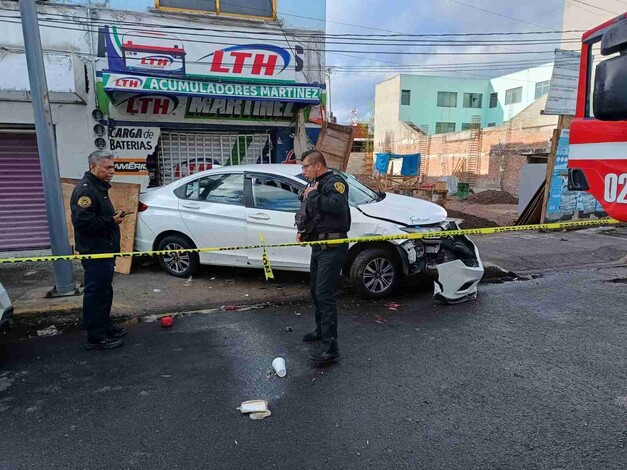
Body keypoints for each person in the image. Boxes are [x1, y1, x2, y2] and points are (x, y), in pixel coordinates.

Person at [296, 150, 351, 365]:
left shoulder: (335, 182)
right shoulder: (316, 184)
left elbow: (337, 206)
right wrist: (303, 231)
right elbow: (317, 216)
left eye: (305, 166)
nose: (304, 171)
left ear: (317, 165)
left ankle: (330, 349)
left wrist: (314, 195)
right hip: (319, 244)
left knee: (324, 294)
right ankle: (320, 332)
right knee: (315, 291)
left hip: (333, 245)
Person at [71, 150, 128, 350]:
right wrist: (111, 221)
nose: (112, 171)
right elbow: (84, 223)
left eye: (113, 167)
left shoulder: (99, 188)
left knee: (104, 291)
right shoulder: (85, 191)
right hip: (95, 251)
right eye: (107, 167)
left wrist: (112, 217)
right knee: (95, 294)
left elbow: (97, 216)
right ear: (93, 167)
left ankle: (105, 327)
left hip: (104, 249)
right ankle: (96, 338)